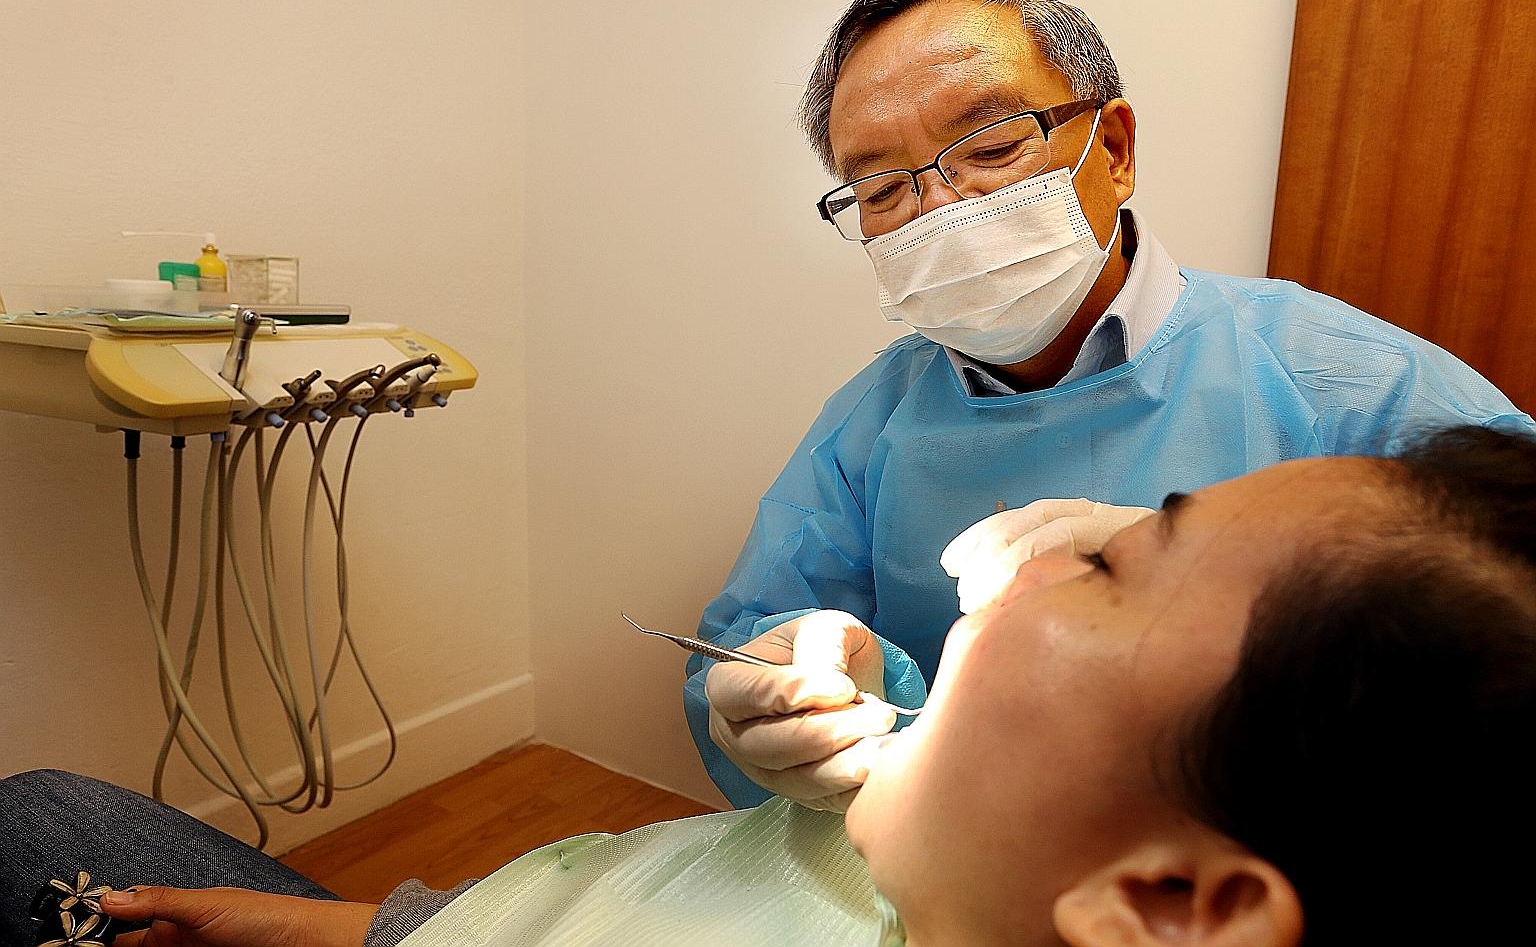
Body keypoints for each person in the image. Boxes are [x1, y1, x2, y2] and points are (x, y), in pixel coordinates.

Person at [3, 425, 1533, 945]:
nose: (1014, 559)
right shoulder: (949, 869)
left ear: (1176, 907)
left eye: (1123, 564)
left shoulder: (1372, 421)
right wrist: (360, 925)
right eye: (874, 181)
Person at [687, 0, 1536, 809]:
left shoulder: (1342, 380)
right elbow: (742, 645)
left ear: (1115, 150)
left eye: (990, 147)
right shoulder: (872, 426)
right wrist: (779, 696)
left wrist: (1240, 592)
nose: (942, 209)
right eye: (879, 189)